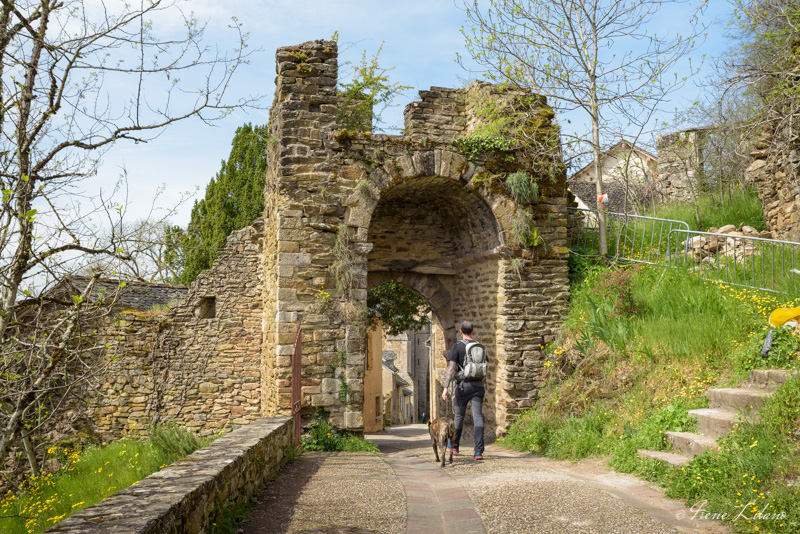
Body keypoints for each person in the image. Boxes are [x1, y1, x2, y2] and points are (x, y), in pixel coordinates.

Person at [441, 320, 485, 460]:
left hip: (462, 386)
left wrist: (446, 387)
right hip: (478, 386)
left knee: (459, 416)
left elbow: (451, 368)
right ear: (472, 331)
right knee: (477, 417)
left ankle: (454, 446)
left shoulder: (457, 346)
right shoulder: (480, 346)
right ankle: (478, 452)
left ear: (460, 332)